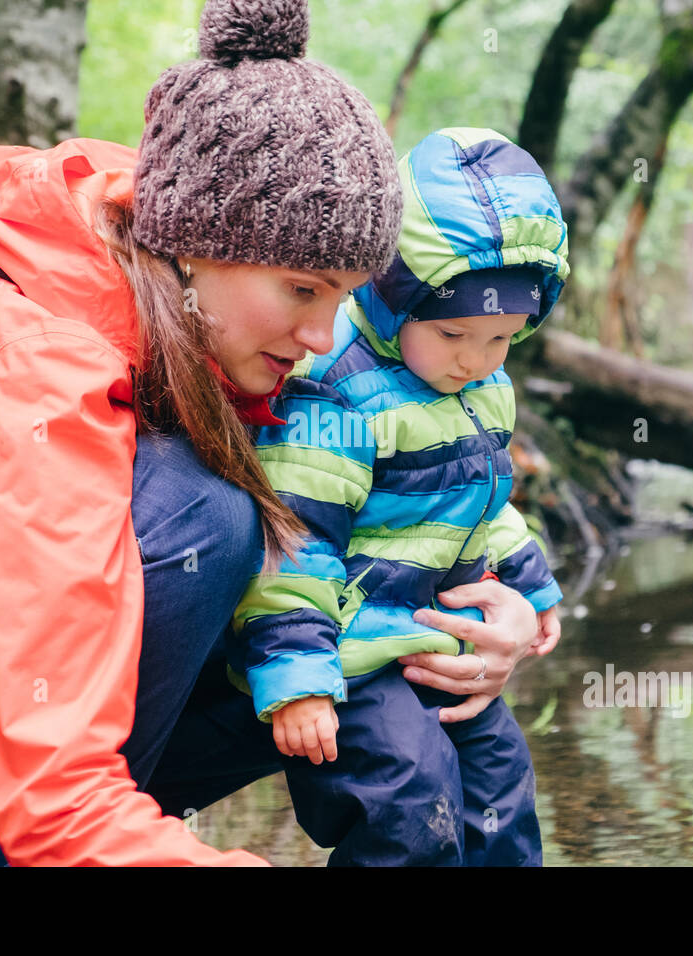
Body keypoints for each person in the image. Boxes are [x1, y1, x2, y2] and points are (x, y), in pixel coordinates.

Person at [0, 0, 543, 866]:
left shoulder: (163, 257)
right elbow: (54, 802)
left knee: (314, 640)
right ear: (198, 247)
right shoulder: (37, 365)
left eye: (344, 297)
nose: (324, 338)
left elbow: (358, 508)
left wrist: (482, 621)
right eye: (302, 290)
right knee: (203, 517)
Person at [228, 127, 569, 866]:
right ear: (395, 298)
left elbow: (478, 499)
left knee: (501, 786)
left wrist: (532, 584)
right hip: (351, 653)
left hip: (432, 632)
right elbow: (294, 535)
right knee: (410, 804)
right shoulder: (337, 393)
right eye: (454, 334)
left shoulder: (478, 385)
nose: (475, 361)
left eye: (503, 338)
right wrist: (295, 673)